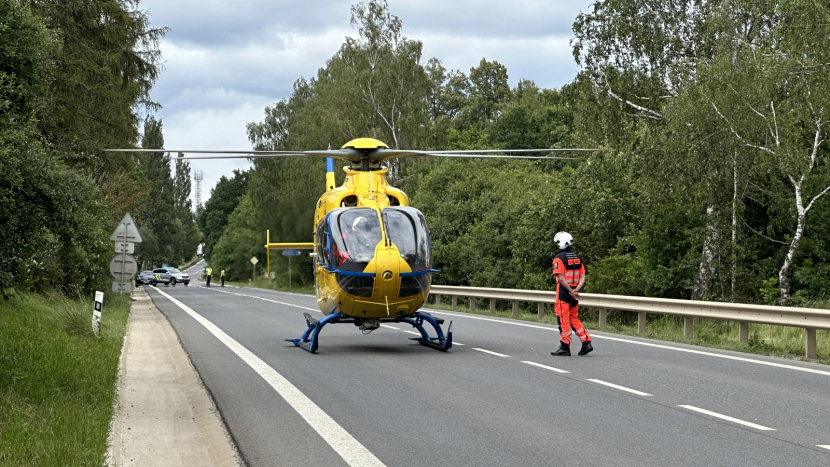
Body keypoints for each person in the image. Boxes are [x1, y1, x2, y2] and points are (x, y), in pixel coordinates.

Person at [550, 231, 593, 356]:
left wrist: (569, 291)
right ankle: (586, 341)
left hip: (564, 292)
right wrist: (575, 290)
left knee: (563, 319)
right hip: (573, 292)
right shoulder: (577, 257)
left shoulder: (559, 258)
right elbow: (582, 275)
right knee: (573, 318)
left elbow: (561, 278)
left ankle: (565, 346)